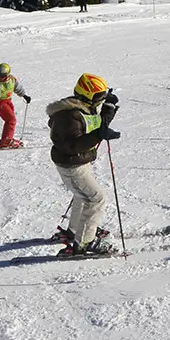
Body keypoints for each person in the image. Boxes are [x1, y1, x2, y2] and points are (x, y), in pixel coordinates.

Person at [46, 73, 121, 257]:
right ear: (87, 94)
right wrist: (99, 136)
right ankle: (84, 242)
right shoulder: (68, 116)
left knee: (82, 196)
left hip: (78, 162)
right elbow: (71, 145)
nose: (100, 100)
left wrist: (108, 107)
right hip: (72, 165)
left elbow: (97, 124)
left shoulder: (83, 108)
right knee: (96, 199)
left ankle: (76, 231)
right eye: (98, 97)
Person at [0, 62, 31, 149]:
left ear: (7, 75)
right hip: (0, 104)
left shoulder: (12, 80)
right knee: (11, 120)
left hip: (9, 102)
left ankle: (6, 138)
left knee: (9, 120)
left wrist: (24, 96)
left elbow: (17, 88)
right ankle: (6, 141)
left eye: (1, 76)